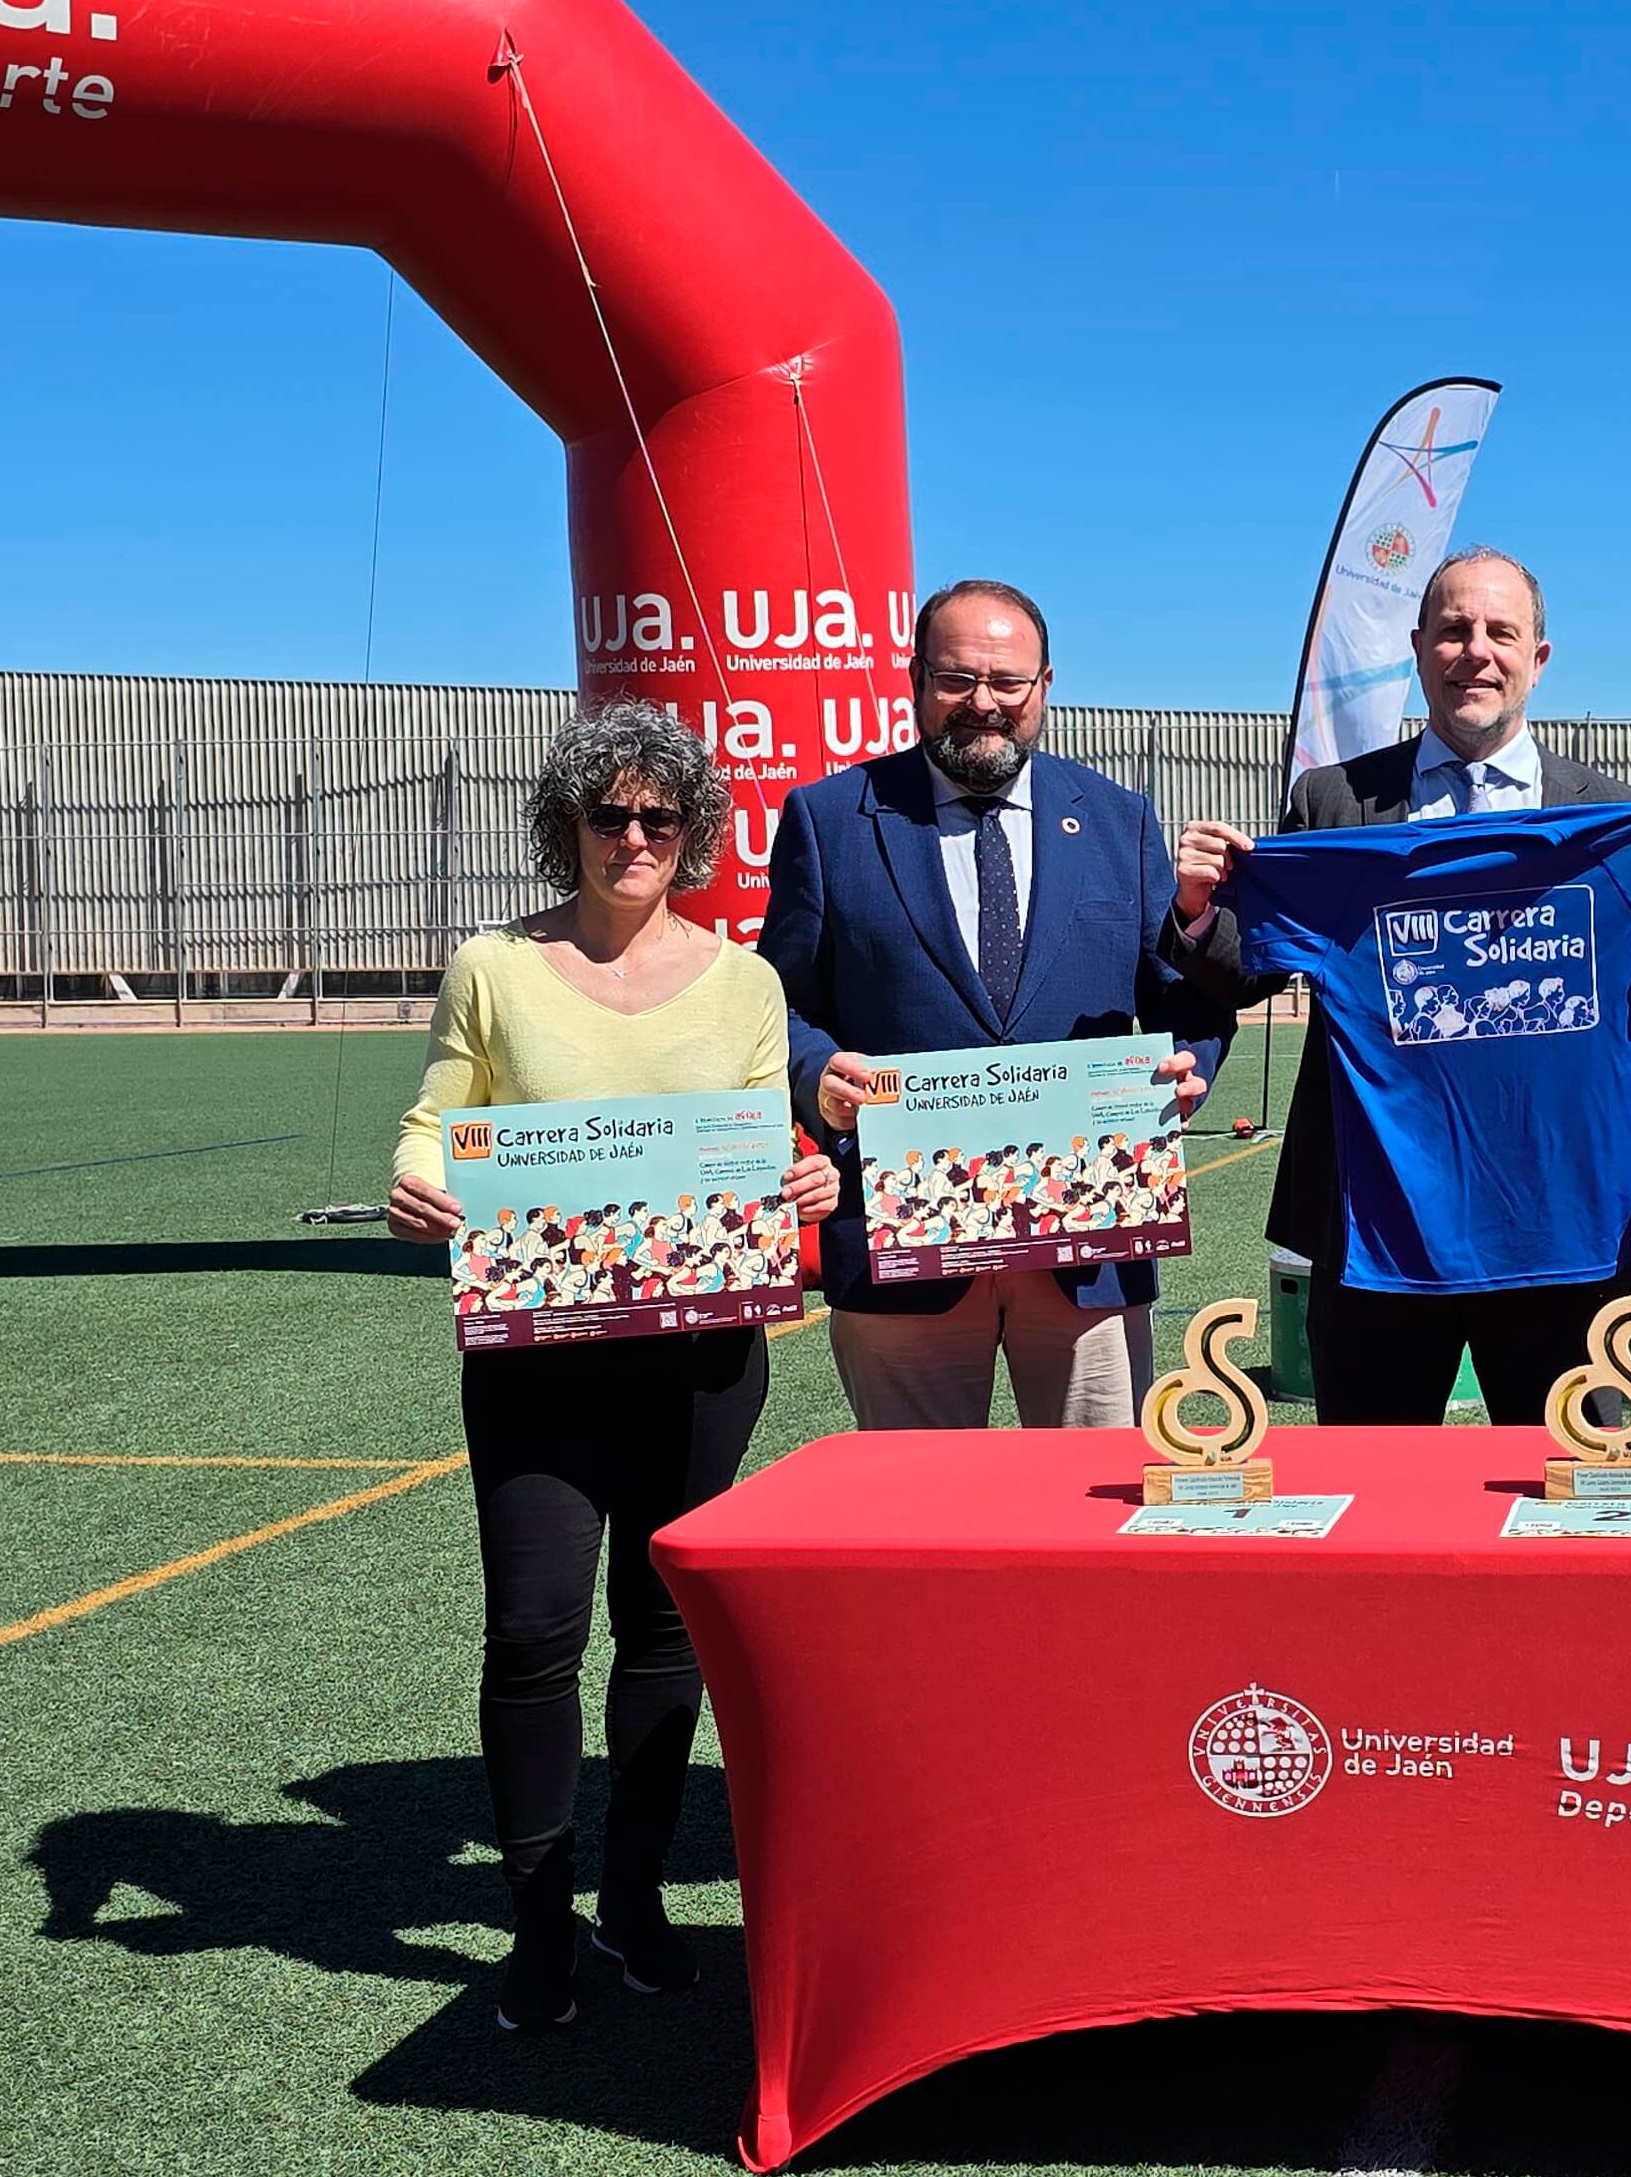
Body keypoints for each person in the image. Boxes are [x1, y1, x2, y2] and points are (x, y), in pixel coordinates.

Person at [387, 702, 839, 2033]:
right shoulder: (493, 967)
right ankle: (540, 1921)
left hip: (699, 1363)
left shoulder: (745, 982)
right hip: (538, 1361)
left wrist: (806, 1175)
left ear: (693, 832)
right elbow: (434, 1121)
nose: (633, 837)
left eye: (659, 816)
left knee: (661, 1631)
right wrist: (417, 1183)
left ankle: (634, 1901)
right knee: (533, 1635)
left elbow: (762, 1147)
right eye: (608, 813)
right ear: (567, 825)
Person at [1169, 546, 1631, 1423]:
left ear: (1537, 658)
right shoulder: (1333, 804)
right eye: (1453, 630)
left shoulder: (1626, 823)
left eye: (1500, 632)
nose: (1476, 651)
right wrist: (1198, 908)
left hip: (1566, 1231)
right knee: (1373, 1486)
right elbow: (1245, 976)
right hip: (1376, 1231)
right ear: (1418, 649)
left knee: (1574, 1482)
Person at [758, 578, 1224, 1430]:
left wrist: (1191, 1067)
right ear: (915, 680)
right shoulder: (828, 820)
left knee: (1095, 1493)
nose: (984, 703)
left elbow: (1183, 991)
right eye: (957, 679)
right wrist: (817, 1069)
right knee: (917, 1502)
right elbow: (773, 1005)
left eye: (1008, 681)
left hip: (1089, 1238)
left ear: (1045, 685)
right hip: (903, 1240)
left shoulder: (1118, 820)